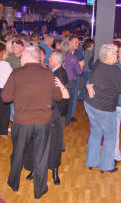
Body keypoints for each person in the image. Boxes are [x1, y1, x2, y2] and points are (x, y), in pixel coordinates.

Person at [2, 46, 67, 199]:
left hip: (21, 122)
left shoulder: (17, 73)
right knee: (41, 156)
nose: (20, 59)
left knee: (18, 154)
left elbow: (5, 97)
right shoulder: (48, 74)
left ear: (30, 56)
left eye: (22, 56)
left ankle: (13, 183)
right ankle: (39, 190)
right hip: (43, 122)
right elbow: (58, 97)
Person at [25, 50, 69, 185]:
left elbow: (59, 98)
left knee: (53, 146)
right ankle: (35, 169)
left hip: (52, 115)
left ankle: (54, 172)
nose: (48, 59)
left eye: (50, 57)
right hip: (45, 114)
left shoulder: (58, 75)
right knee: (38, 143)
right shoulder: (52, 72)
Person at [84, 44, 121, 173]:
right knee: (110, 136)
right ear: (110, 56)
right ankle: (105, 166)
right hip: (104, 109)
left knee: (95, 132)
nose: (117, 55)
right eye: (116, 53)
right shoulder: (113, 70)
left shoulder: (98, 64)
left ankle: (91, 161)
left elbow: (91, 79)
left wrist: (88, 85)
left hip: (90, 104)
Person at [0, 45, 13, 138]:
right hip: (3, 89)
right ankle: (3, 131)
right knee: (5, 111)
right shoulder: (6, 64)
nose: (7, 53)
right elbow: (12, 75)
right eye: (5, 52)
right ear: (2, 54)